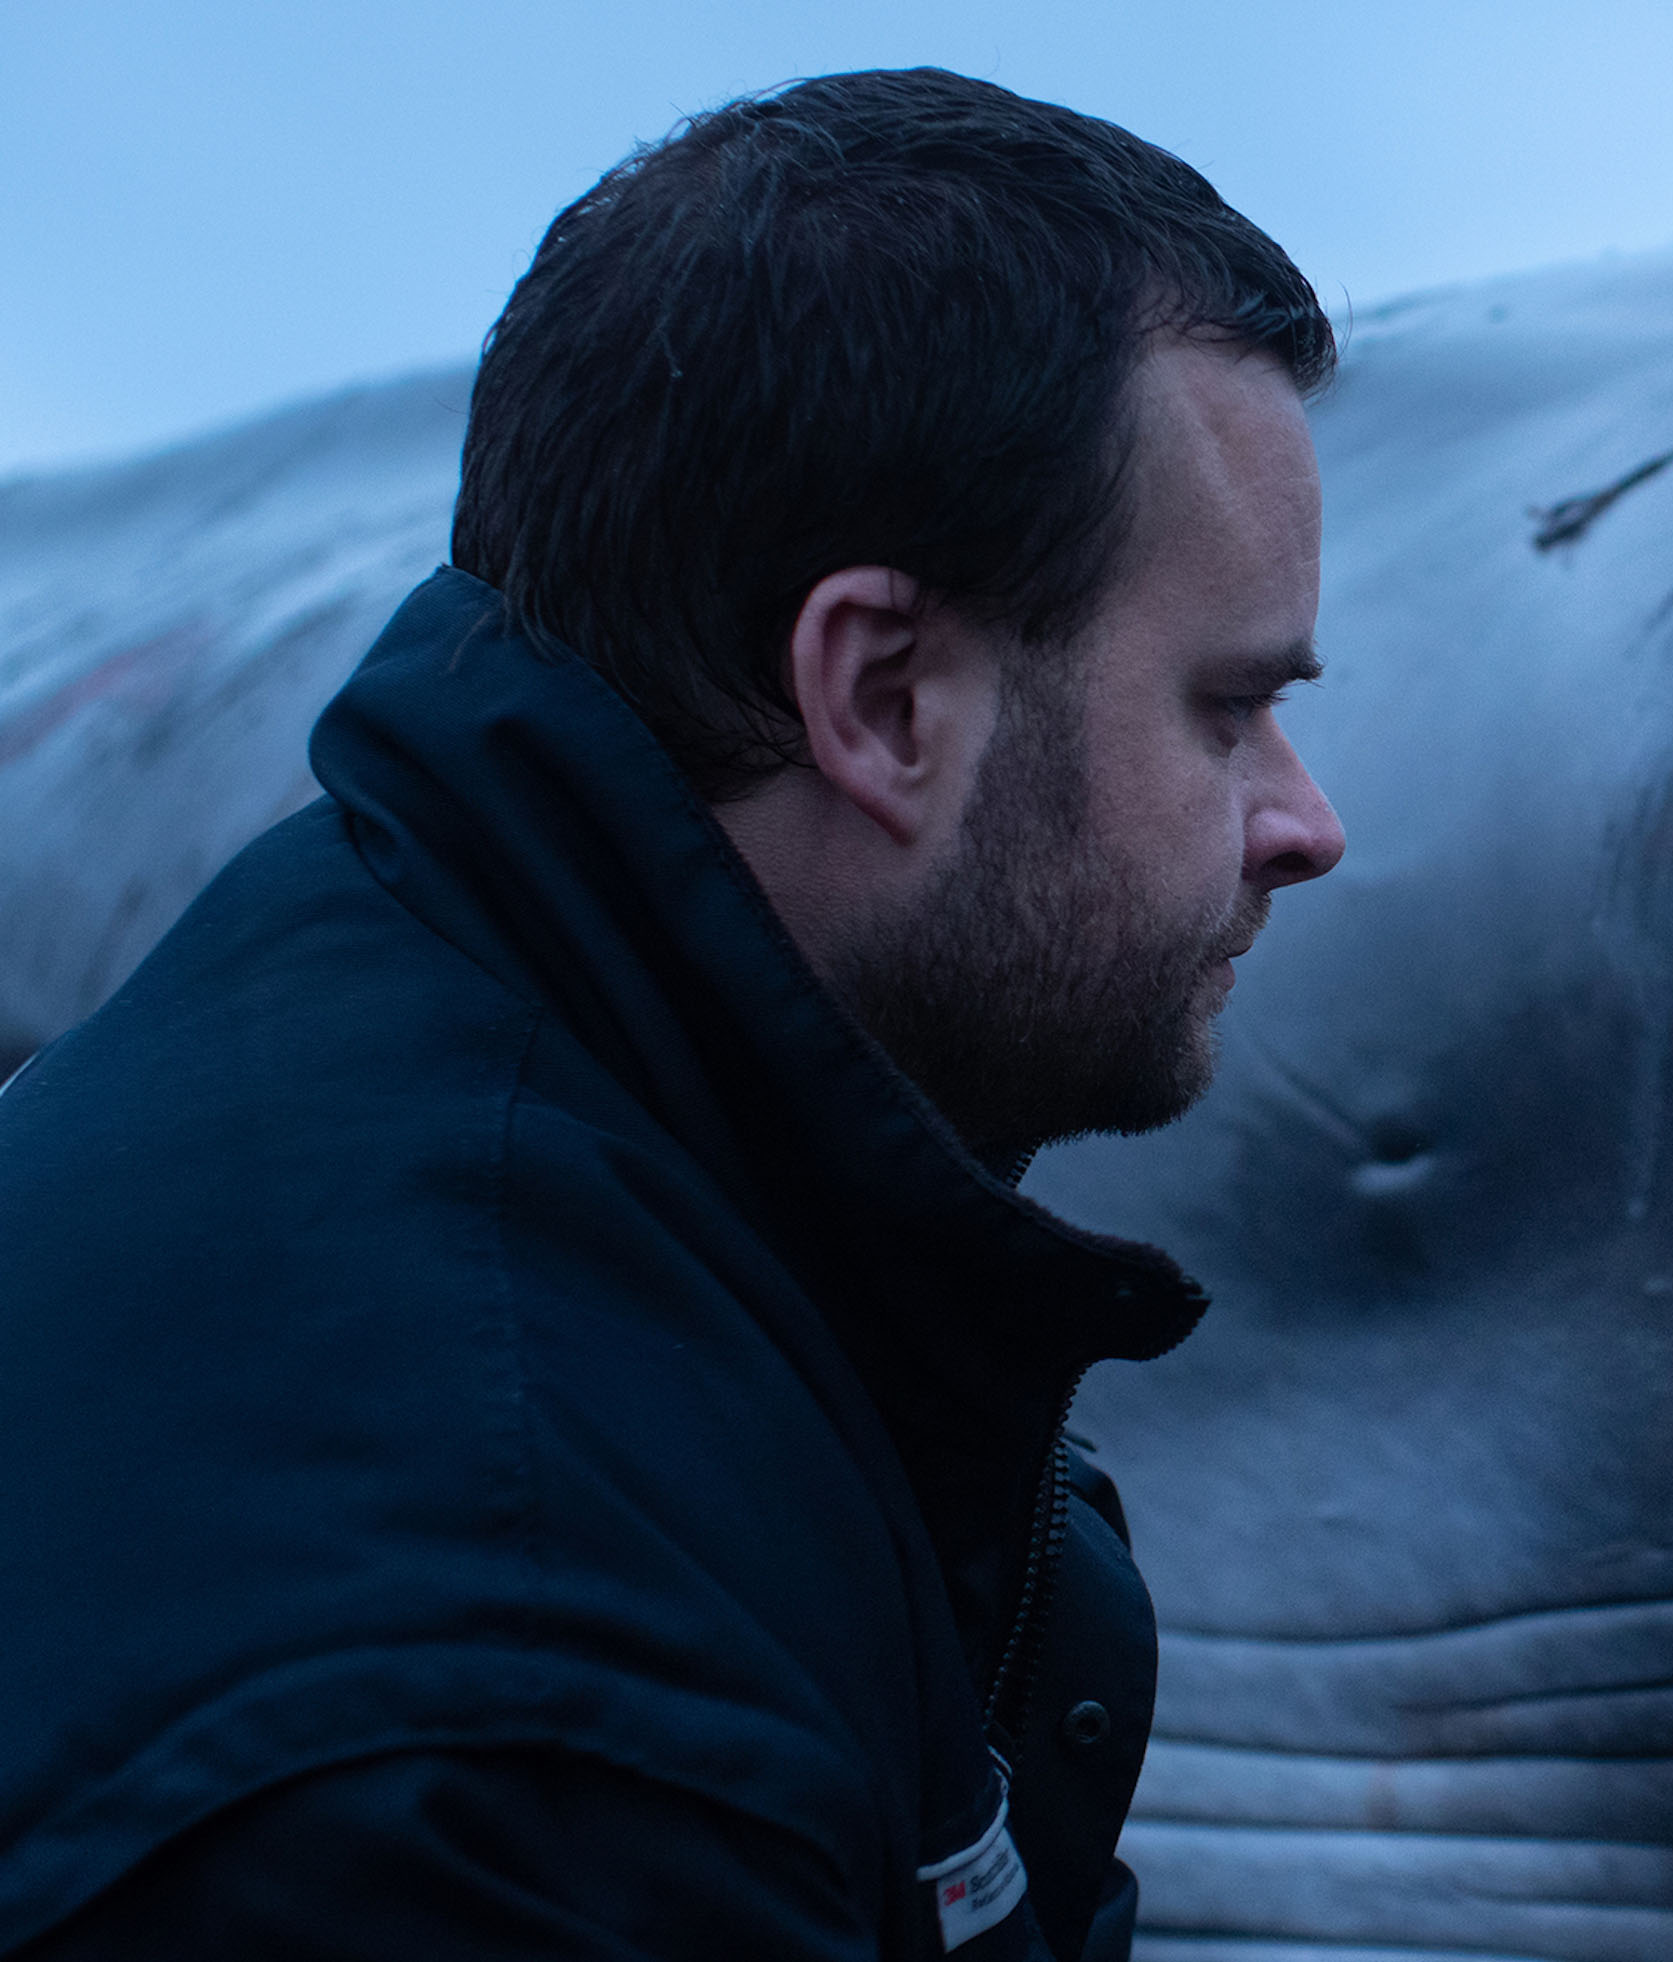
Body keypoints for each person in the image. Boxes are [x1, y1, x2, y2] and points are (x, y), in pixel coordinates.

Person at [0, 67, 1343, 1960]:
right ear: (878, 697)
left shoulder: (409, 1035)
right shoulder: (513, 1724)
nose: (1306, 819)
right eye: (1226, 706)